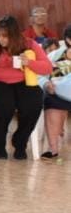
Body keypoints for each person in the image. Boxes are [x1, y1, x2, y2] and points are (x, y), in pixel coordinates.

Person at [0, 15, 53, 159]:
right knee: (4, 107)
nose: (1, 39)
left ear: (14, 34)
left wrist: (29, 63)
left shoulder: (29, 44)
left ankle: (20, 142)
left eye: (5, 36)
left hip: (22, 82)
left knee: (34, 102)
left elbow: (47, 68)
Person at [41, 26, 71, 160]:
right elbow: (40, 75)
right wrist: (46, 84)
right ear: (69, 40)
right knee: (50, 100)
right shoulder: (54, 55)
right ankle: (53, 149)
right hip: (58, 93)